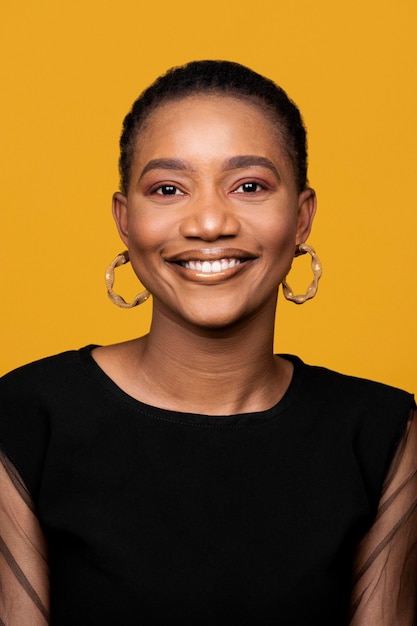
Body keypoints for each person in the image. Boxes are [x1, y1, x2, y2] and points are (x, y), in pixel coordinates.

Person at [0, 60, 416, 626]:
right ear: (125, 221)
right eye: (168, 188)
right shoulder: (24, 420)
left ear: (301, 218)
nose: (210, 222)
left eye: (248, 186)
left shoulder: (384, 433)